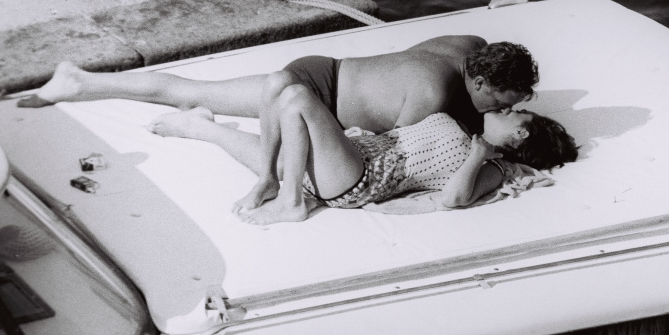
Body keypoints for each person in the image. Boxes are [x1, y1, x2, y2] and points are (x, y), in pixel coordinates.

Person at [148, 94, 579, 224]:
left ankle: (290, 199)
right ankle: (199, 126)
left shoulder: (493, 167)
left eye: (513, 114)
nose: (505, 109)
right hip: (353, 157)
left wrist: (478, 157)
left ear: (521, 135)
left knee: (296, 100)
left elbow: (453, 200)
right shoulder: (471, 130)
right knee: (275, 121)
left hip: (359, 177)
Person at [19, 36, 538, 134]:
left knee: (192, 92)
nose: (496, 110)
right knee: (188, 91)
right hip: (314, 93)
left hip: (328, 68)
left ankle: (83, 81)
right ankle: (81, 82)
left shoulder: (469, 41)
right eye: (497, 100)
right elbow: (398, 153)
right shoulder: (433, 95)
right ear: (480, 76)